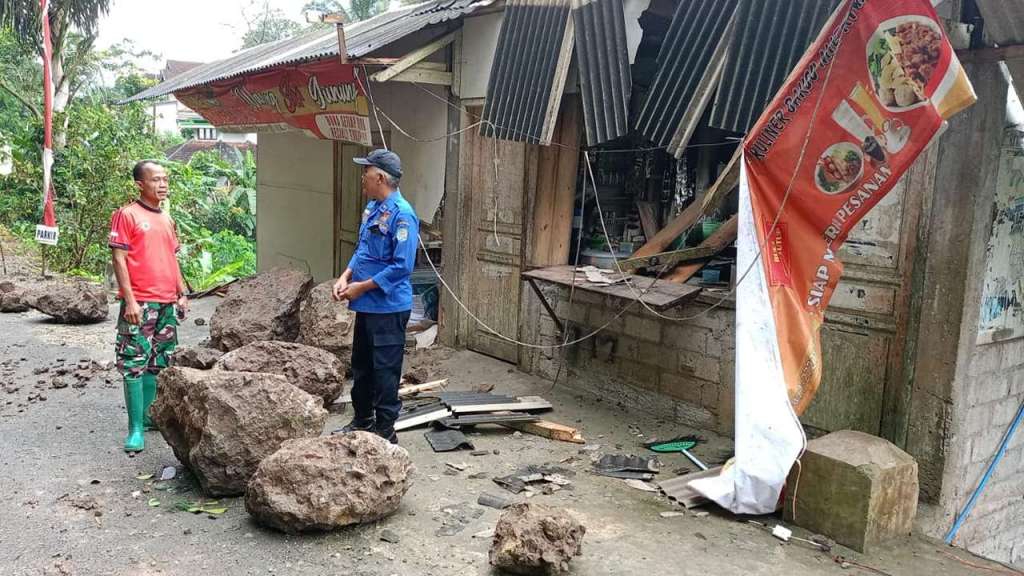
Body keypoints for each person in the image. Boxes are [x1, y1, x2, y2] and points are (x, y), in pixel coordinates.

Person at [332, 149, 419, 444]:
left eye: (366, 173)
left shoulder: (402, 215)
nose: (362, 178)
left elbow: (402, 267)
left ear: (380, 177)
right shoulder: (372, 208)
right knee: (362, 366)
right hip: (367, 306)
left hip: (389, 308)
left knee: (385, 371)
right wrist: (346, 275)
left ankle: (384, 432)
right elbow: (364, 249)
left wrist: (363, 286)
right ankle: (362, 420)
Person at [109, 160, 189, 453]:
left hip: (167, 301)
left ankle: (149, 416)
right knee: (133, 362)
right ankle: (135, 430)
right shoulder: (126, 215)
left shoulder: (167, 219)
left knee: (159, 361)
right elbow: (119, 259)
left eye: (165, 179)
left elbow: (172, 257)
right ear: (140, 184)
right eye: (156, 179)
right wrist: (129, 299)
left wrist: (182, 293)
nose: (162, 184)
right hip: (140, 302)